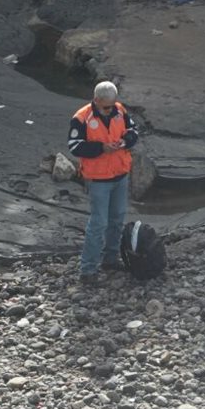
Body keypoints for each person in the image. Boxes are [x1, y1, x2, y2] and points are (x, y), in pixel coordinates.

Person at [68, 81, 139, 281]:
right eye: (106, 107)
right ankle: (88, 269)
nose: (110, 110)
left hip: (120, 174)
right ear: (97, 100)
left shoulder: (119, 110)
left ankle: (110, 259)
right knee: (98, 223)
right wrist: (101, 148)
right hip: (98, 179)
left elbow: (133, 131)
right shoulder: (82, 118)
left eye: (112, 105)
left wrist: (124, 142)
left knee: (117, 219)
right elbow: (74, 146)